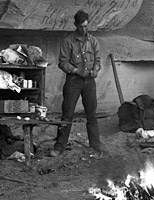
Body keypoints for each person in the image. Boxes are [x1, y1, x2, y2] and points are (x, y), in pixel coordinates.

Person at [50, 10, 102, 157]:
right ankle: (59, 147)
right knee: (67, 115)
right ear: (75, 25)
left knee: (91, 115)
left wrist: (95, 70)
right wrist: (77, 71)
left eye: (86, 26)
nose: (84, 29)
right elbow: (62, 63)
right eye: (81, 27)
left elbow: (98, 60)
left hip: (89, 82)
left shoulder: (93, 41)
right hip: (73, 81)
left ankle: (96, 146)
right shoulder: (68, 41)